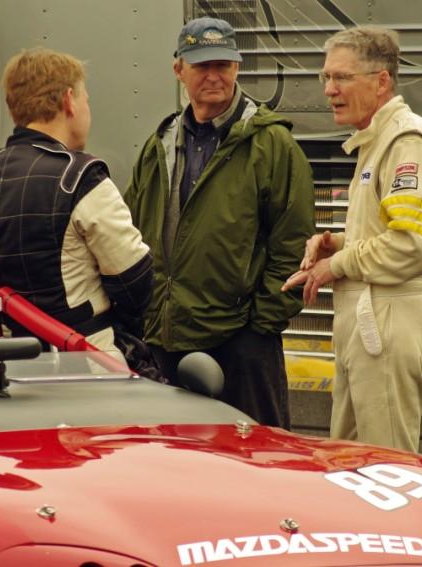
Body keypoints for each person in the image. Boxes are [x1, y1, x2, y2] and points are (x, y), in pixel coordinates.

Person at [124, 17, 315, 428]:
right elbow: (131, 232)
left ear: (237, 68)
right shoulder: (160, 143)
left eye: (222, 65)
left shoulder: (270, 143)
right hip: (165, 340)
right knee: (172, 465)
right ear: (179, 70)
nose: (213, 76)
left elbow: (293, 243)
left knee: (255, 469)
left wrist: (258, 328)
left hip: (240, 346)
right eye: (201, 66)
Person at [283, 26, 422, 452]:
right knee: (352, 465)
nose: (329, 90)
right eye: (325, 78)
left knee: (387, 470)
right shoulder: (376, 142)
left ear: (381, 81)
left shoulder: (405, 140)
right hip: (368, 326)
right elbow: (384, 235)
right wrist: (337, 243)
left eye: (341, 78)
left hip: (386, 327)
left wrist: (335, 265)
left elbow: (411, 245)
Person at [0, 48, 153, 355]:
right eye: (86, 99)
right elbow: (134, 278)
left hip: (7, 364)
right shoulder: (82, 177)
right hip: (86, 362)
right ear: (69, 101)